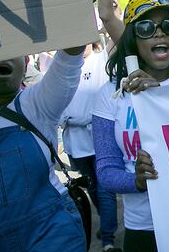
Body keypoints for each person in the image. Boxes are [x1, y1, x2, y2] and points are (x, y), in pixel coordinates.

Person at [0, 0, 100, 251]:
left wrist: (80, 1)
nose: (3, 57)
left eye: (13, 51)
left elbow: (71, 53)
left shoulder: (38, 104)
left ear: (26, 63)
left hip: (49, 237)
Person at [93, 0, 169, 251]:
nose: (159, 33)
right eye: (146, 28)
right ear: (133, 40)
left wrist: (159, 99)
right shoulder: (109, 95)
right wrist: (136, 180)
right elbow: (105, 171)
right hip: (144, 229)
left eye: (168, 26)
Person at [59, 42, 119, 251]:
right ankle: (106, 220)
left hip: (101, 138)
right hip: (76, 143)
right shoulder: (61, 67)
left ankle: (108, 240)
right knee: (92, 186)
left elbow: (117, 38)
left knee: (105, 189)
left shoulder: (102, 59)